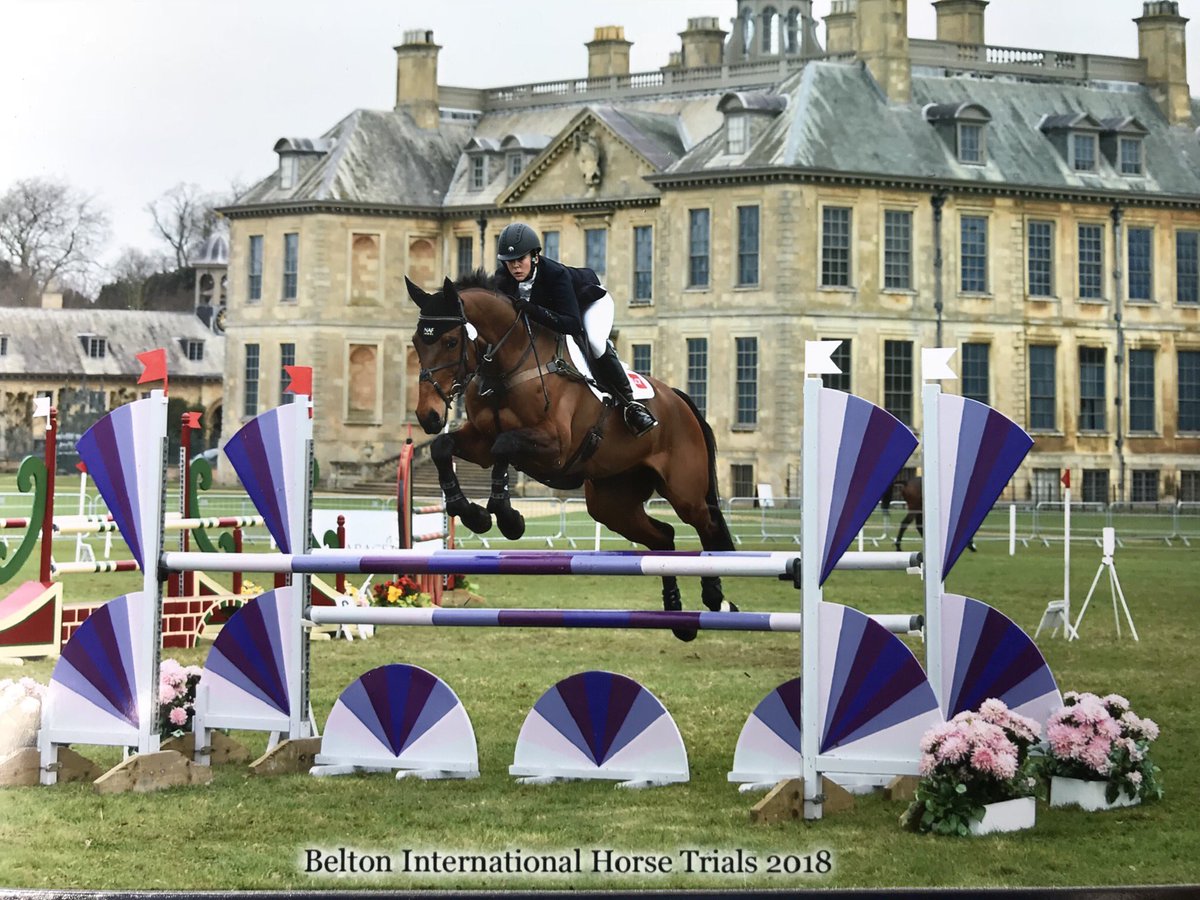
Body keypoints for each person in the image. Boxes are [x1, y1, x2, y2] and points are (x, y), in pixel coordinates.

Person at [493, 222, 658, 437]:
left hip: (589, 304)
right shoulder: (502, 279)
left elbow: (572, 324)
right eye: (509, 262)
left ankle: (631, 404)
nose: (515, 267)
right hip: (556, 313)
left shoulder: (555, 274)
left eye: (520, 260)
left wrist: (533, 310)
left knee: (595, 342)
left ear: (534, 256)